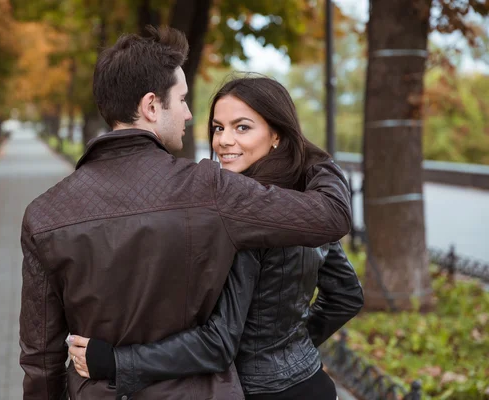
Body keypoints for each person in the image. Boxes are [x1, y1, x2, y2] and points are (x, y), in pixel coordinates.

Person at [19, 26, 352, 400]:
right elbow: (332, 216)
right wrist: (310, 154)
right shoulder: (211, 190)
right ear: (150, 106)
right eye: (181, 100)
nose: (190, 114)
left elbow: (40, 356)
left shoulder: (43, 214)